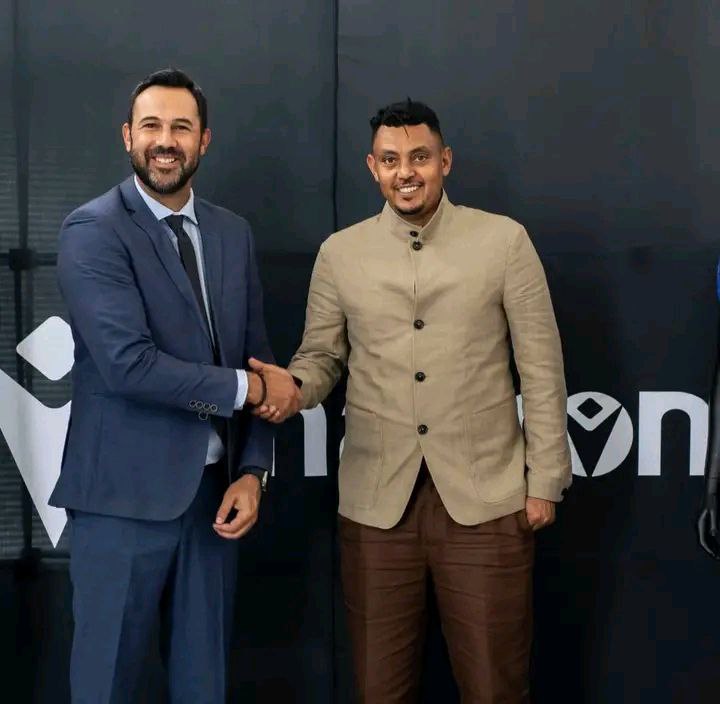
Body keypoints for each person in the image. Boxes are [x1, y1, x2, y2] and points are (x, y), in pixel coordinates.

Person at [254, 99, 572, 702]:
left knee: (495, 688)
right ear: (372, 167)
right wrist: (290, 389)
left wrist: (545, 480)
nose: (406, 172)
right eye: (391, 159)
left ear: (444, 161)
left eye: (419, 157)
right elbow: (321, 358)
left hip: (488, 500)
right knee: (380, 690)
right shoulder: (339, 253)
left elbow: (542, 369)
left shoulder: (504, 241)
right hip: (376, 505)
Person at [49, 68, 300, 703]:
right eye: (152, 126)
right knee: (106, 686)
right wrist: (249, 391)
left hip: (214, 504)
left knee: (203, 687)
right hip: (121, 505)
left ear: (203, 140)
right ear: (128, 136)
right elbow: (127, 365)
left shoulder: (232, 233)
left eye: (181, 127)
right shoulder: (93, 229)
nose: (166, 140)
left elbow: (259, 358)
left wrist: (252, 471)